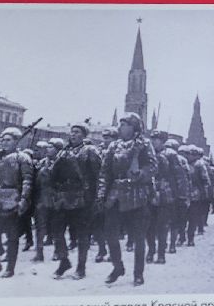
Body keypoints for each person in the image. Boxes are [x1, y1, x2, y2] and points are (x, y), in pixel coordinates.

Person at [96, 113, 158, 285]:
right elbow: (104, 172)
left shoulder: (144, 144)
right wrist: (101, 194)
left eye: (126, 125)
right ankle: (117, 266)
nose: (122, 128)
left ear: (135, 127)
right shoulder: (114, 146)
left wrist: (141, 174)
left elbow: (153, 166)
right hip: (115, 196)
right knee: (110, 234)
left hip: (137, 195)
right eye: (121, 124)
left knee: (139, 237)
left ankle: (138, 273)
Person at [0, 127, 35, 279]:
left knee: (12, 237)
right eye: (2, 140)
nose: (4, 142)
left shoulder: (22, 158)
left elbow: (27, 180)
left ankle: (10, 268)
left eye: (8, 140)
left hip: (13, 198)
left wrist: (24, 199)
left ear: (16, 141)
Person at [51, 126, 100, 280]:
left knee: (82, 234)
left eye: (77, 132)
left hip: (82, 197)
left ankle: (81, 267)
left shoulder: (90, 151)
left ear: (84, 135)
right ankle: (64, 261)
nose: (73, 134)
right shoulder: (63, 152)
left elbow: (98, 174)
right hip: (64, 195)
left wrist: (94, 196)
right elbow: (54, 174)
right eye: (72, 132)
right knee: (56, 231)